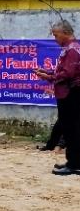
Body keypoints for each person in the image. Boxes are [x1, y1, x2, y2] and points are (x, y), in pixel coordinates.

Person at [33, 20, 80, 175]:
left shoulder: (72, 50)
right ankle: (73, 161)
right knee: (70, 129)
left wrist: (48, 77)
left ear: (65, 33)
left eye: (56, 35)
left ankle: (74, 165)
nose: (55, 38)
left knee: (71, 129)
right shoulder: (70, 48)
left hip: (70, 93)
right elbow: (63, 70)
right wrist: (47, 72)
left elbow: (68, 74)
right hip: (68, 92)